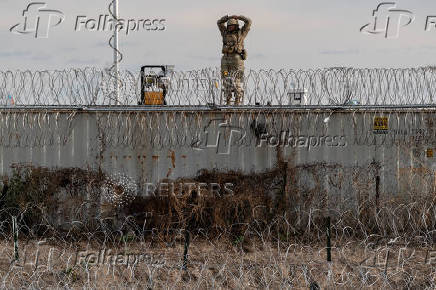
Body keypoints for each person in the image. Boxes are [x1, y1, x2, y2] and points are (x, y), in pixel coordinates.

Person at [217, 15, 252, 105]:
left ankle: (237, 100)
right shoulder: (225, 33)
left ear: (236, 26)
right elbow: (219, 23)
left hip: (236, 59)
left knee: (236, 80)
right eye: (229, 25)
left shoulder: (241, 33)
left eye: (232, 25)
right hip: (225, 59)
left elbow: (248, 22)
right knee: (226, 79)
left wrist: (239, 17)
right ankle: (228, 100)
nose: (230, 27)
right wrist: (227, 18)